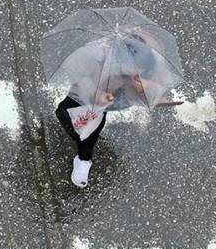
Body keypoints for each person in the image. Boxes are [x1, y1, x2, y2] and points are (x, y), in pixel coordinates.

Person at [54, 35, 160, 188]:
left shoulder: (145, 62)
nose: (133, 75)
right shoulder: (96, 55)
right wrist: (95, 93)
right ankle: (79, 143)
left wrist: (143, 89)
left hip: (105, 104)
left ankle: (83, 158)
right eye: (127, 71)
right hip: (85, 94)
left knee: (89, 132)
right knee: (69, 114)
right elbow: (77, 73)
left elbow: (149, 91)